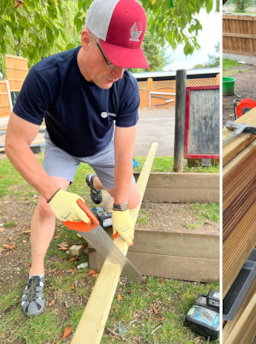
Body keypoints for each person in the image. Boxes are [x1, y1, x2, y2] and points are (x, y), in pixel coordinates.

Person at [5, 0, 149, 317]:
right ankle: (36, 272)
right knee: (46, 207)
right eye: (114, 59)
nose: (120, 71)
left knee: (133, 197)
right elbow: (15, 144)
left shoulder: (125, 87)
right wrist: (54, 193)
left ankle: (94, 182)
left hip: (103, 147)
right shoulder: (46, 76)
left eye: (128, 63)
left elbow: (125, 152)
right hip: (62, 147)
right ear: (86, 39)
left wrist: (122, 205)